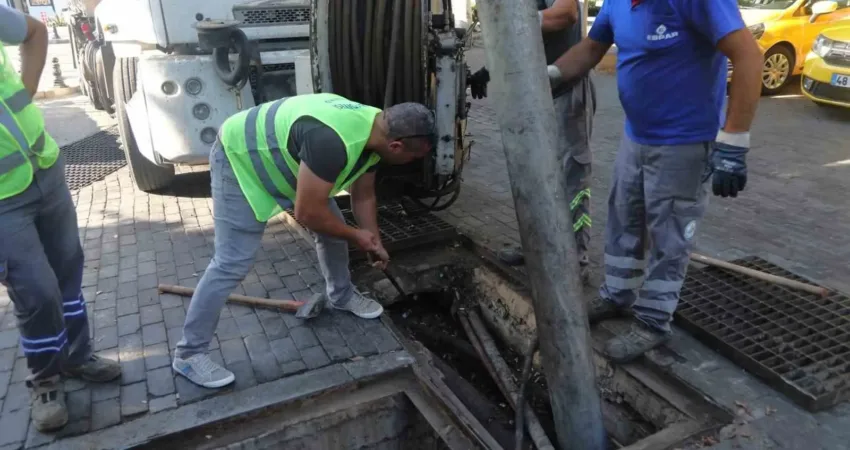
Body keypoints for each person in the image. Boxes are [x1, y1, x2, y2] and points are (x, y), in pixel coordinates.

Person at [547, 0, 762, 362]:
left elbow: (748, 57)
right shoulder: (618, 2)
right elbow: (591, 47)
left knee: (670, 232)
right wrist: (550, 75)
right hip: (637, 136)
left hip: (685, 141)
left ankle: (653, 320)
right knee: (624, 216)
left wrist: (734, 141)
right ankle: (617, 293)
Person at [173, 93, 436, 388]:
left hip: (289, 161)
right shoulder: (333, 141)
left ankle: (342, 296)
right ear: (396, 146)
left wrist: (373, 241)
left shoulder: (379, 128)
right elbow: (308, 213)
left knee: (333, 235)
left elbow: (363, 194)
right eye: (412, 158)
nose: (410, 163)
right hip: (241, 157)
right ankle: (189, 354)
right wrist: (355, 235)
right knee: (231, 262)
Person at [0, 5, 121, 432]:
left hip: (44, 168)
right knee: (36, 292)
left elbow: (34, 33)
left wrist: (26, 96)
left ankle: (76, 355)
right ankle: (45, 379)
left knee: (68, 273)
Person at [469, 0, 596, 284]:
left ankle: (575, 259)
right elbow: (519, 41)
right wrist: (491, 69)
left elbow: (566, 15)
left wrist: (515, 22)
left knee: (571, 180)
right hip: (530, 94)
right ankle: (538, 249)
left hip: (564, 92)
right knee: (533, 177)